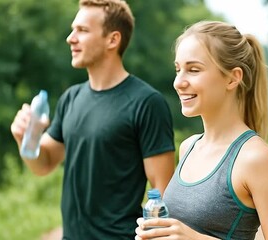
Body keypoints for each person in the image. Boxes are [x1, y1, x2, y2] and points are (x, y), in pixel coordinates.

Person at [10, 0, 176, 239]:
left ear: (113, 39)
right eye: (73, 29)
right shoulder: (71, 98)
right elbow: (44, 164)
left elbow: (163, 193)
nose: (70, 38)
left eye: (83, 30)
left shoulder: (147, 102)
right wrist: (26, 139)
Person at [135, 20, 268, 240]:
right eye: (178, 69)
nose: (178, 82)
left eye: (193, 70)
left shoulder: (256, 158)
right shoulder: (188, 147)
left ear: (233, 78)